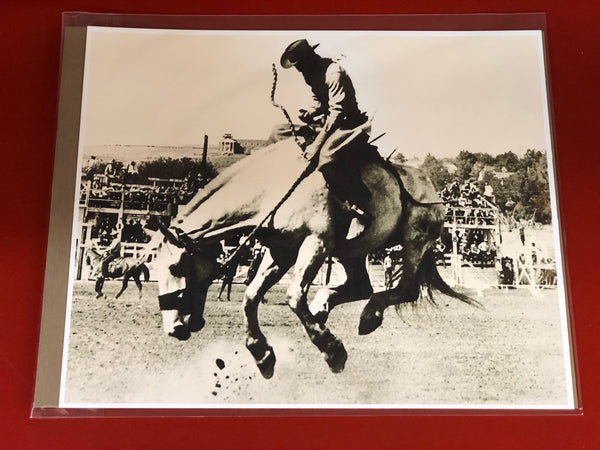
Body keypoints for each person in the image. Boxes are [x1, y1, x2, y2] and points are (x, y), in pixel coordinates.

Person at [280, 39, 377, 234]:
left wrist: (316, 144)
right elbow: (319, 100)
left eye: (299, 65)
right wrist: (310, 112)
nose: (298, 71)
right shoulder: (309, 74)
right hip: (327, 123)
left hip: (349, 125)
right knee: (278, 132)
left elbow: (337, 112)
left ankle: (358, 207)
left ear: (309, 58)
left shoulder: (334, 72)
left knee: (326, 154)